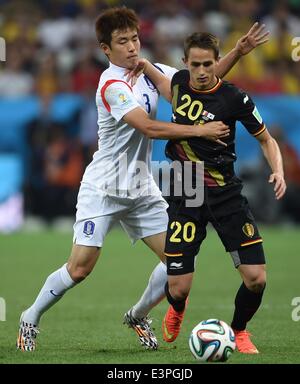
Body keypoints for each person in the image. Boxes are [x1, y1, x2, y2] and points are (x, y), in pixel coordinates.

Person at [17, 6, 269, 352]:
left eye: (135, 38)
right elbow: (148, 127)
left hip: (140, 182)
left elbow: (199, 85)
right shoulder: (112, 84)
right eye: (123, 42)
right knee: (80, 268)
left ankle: (137, 315)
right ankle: (30, 316)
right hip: (104, 185)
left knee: (175, 261)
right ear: (106, 49)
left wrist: (238, 52)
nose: (133, 47)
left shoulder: (151, 71)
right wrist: (200, 129)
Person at [135, 32, 286, 354]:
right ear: (184, 63)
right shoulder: (179, 84)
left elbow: (266, 139)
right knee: (178, 286)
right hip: (185, 186)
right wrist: (144, 63)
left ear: (216, 63)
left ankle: (240, 331)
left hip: (225, 191)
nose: (202, 71)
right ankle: (177, 306)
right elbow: (165, 86)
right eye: (195, 64)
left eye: (208, 64)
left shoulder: (235, 98)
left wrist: (278, 169)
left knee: (256, 278)